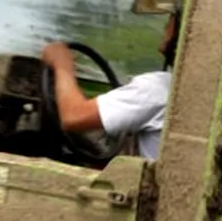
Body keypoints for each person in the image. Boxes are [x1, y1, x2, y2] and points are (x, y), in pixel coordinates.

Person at [40, 9, 181, 161]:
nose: (165, 27)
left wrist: (62, 64)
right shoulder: (179, 94)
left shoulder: (160, 89)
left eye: (171, 20)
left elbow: (73, 116)